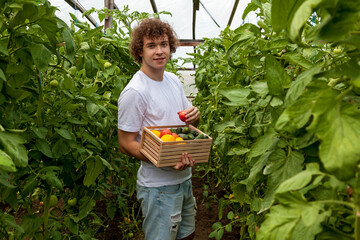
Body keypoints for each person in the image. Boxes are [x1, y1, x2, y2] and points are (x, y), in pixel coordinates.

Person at [117, 18, 200, 240]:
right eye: (151, 46)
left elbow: (186, 126)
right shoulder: (135, 92)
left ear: (171, 47)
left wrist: (195, 117)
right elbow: (125, 143)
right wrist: (163, 159)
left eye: (163, 44)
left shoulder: (173, 80)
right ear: (139, 51)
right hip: (158, 187)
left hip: (184, 179)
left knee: (187, 234)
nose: (159, 51)